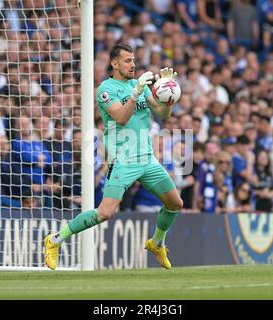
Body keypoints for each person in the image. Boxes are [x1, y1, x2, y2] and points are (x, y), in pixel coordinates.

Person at [44, 43, 183, 270]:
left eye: (134, 60)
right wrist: (135, 92)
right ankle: (55, 239)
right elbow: (120, 117)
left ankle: (157, 243)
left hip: (146, 158)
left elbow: (162, 114)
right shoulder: (106, 89)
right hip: (123, 159)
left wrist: (169, 93)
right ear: (114, 63)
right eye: (128, 60)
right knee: (105, 212)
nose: (133, 65)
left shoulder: (140, 85)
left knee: (175, 203)